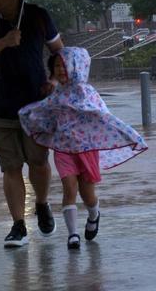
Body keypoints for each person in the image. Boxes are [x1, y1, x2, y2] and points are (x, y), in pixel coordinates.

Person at [19, 47, 148, 249]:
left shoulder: (88, 94)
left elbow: (105, 117)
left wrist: (128, 134)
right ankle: (72, 234)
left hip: (87, 151)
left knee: (88, 194)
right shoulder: (55, 96)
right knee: (69, 189)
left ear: (76, 67)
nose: (61, 70)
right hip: (63, 150)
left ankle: (94, 213)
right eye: (56, 66)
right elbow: (45, 115)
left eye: (65, 65)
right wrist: (29, 116)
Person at [0, 0, 63, 247]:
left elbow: (60, 52)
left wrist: (54, 80)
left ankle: (42, 204)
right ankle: (18, 225)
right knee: (10, 167)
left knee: (39, 162)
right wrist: (4, 42)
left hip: (36, 107)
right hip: (0, 107)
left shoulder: (38, 16)